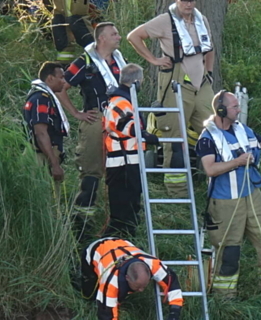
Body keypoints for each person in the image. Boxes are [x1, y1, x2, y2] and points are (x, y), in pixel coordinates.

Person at [196, 90, 261, 297]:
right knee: (229, 252)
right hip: (225, 202)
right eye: (235, 107)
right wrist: (238, 162)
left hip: (252, 196)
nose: (239, 110)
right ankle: (225, 300)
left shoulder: (242, 129)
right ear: (222, 110)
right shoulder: (208, 138)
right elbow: (210, 169)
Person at [127, 0, 215, 196]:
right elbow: (134, 36)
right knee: (174, 138)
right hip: (175, 84)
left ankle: (217, 182)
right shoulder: (165, 20)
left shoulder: (202, 20)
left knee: (214, 131)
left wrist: (208, 72)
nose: (188, 3)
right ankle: (177, 192)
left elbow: (210, 48)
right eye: (184, 0)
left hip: (201, 84)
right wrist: (154, 60)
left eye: (191, 0)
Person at [57, 21, 127, 227]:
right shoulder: (84, 61)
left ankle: (118, 219)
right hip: (96, 118)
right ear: (102, 38)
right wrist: (76, 113)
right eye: (114, 34)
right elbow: (61, 88)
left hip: (120, 121)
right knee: (91, 167)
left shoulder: (119, 61)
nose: (119, 37)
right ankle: (83, 220)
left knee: (120, 166)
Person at [82, 237, 184, 320]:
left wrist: (174, 313)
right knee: (90, 293)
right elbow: (107, 318)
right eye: (137, 287)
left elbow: (172, 283)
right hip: (94, 251)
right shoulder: (110, 283)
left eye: (144, 286)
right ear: (127, 278)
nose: (141, 291)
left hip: (120, 243)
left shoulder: (152, 264)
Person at [102, 64, 159, 239]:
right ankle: (118, 242)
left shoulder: (124, 99)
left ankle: (126, 240)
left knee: (130, 206)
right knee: (123, 210)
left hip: (129, 161)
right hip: (123, 163)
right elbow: (125, 125)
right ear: (136, 81)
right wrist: (145, 135)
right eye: (141, 81)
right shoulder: (121, 101)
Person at [24, 61, 70, 184]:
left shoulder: (41, 97)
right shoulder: (41, 99)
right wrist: (54, 165)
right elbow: (41, 133)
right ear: (50, 78)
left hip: (44, 156)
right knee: (47, 197)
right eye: (61, 77)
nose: (64, 81)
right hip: (41, 158)